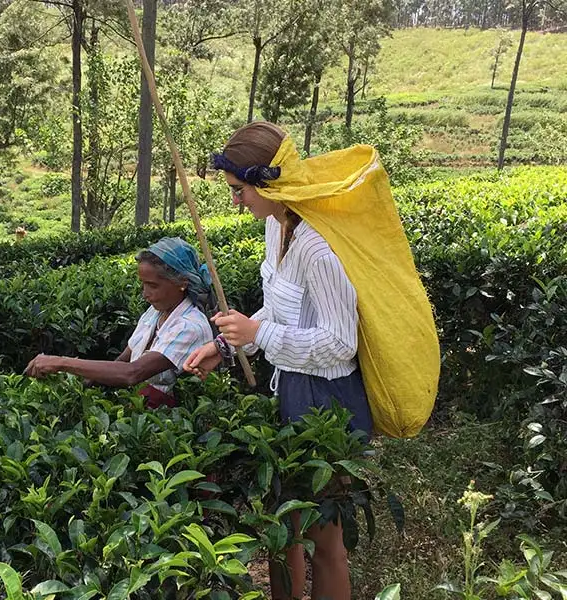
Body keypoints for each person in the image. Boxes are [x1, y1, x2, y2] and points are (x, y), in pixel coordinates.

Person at [184, 121, 372, 600]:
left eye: (239, 190)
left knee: (323, 538)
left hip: (326, 402)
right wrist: (232, 343)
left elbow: (338, 343)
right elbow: (283, 310)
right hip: (288, 388)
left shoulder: (318, 247)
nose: (235, 202)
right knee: (282, 528)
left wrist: (259, 333)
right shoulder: (275, 226)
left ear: (269, 184)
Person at [25, 237, 213, 408]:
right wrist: (75, 385)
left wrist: (62, 363)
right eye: (143, 284)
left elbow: (132, 373)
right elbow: (123, 361)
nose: (145, 294)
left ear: (182, 283)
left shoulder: (190, 326)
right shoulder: (155, 312)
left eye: (153, 285)